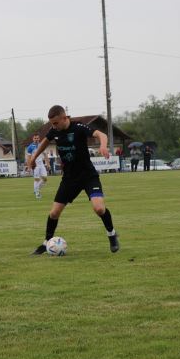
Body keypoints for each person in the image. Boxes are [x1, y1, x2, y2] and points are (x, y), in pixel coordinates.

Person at [28, 105, 120, 255]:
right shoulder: (54, 130)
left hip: (88, 176)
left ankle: (112, 234)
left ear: (64, 118)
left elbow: (101, 134)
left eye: (56, 123)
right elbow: (45, 142)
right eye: (52, 123)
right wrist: (33, 157)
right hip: (69, 179)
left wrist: (103, 146)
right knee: (54, 213)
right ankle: (46, 243)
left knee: (99, 208)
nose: (53, 126)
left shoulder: (78, 127)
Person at [25, 133, 50, 199]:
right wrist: (29, 167)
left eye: (37, 138)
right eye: (35, 138)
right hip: (35, 165)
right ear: (33, 139)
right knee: (37, 179)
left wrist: (48, 164)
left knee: (45, 179)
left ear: (39, 139)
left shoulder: (42, 145)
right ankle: (37, 194)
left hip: (41, 164)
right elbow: (28, 158)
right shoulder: (30, 147)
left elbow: (45, 155)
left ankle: (36, 189)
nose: (36, 139)